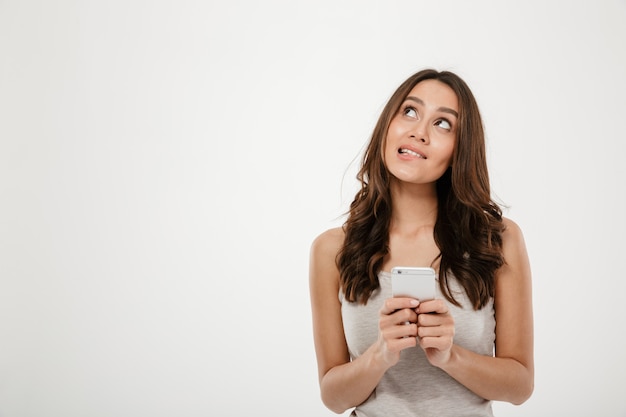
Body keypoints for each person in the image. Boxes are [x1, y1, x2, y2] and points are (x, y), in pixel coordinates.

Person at [308, 68, 534, 416]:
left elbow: (519, 386)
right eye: (409, 112)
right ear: (387, 125)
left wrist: (450, 355)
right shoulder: (331, 250)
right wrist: (380, 356)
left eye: (443, 124)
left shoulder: (498, 241)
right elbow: (334, 398)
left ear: (460, 148)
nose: (419, 132)